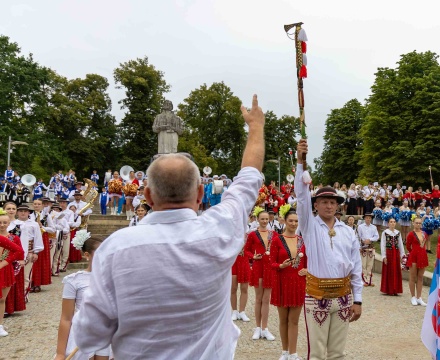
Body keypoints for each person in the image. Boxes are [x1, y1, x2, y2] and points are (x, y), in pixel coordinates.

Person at [73, 94, 264, 359]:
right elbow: (248, 179)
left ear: (148, 197)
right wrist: (256, 128)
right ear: (200, 194)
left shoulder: (116, 247)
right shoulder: (219, 229)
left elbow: (89, 336)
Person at [294, 138, 363, 360]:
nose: (329, 205)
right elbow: (301, 197)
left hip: (343, 298)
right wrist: (300, 163)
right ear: (316, 204)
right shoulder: (309, 225)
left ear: (338, 205)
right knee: (316, 354)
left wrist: (358, 299)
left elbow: (356, 267)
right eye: (324, 201)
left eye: (333, 202)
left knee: (337, 353)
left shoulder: (347, 231)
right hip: (317, 296)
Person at [55, 231, 110, 360]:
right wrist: (60, 353)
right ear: (87, 255)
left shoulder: (113, 278)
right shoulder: (74, 280)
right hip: (83, 332)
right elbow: (66, 318)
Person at [270, 207, 307, 360]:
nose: (293, 223)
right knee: (283, 319)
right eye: (291, 220)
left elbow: (309, 261)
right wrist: (280, 266)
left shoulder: (302, 240)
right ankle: (284, 351)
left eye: (296, 221)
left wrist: (307, 269)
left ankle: (293, 353)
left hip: (298, 282)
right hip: (282, 281)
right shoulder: (276, 240)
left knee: (294, 320)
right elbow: (271, 262)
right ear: (284, 221)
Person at [245, 209, 276, 341]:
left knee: (266, 299)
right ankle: (257, 327)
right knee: (258, 298)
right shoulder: (253, 234)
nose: (264, 221)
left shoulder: (273, 234)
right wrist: (253, 257)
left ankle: (265, 328)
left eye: (266, 219)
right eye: (262, 219)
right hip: (258, 267)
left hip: (269, 269)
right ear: (257, 219)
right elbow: (246, 250)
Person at [0, 209, 26, 337]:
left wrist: (5, 262)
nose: (2, 225)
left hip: (5, 270)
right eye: (0, 222)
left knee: (2, 299)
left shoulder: (13, 238)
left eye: (5, 222)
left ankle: (0, 325)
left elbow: (19, 252)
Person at [14, 204, 44, 299]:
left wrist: (36, 252)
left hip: (29, 251)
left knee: (26, 275)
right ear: (17, 212)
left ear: (28, 213)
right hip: (15, 251)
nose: (23, 213)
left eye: (25, 211)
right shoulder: (13, 223)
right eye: (21, 211)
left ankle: (24, 296)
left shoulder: (34, 224)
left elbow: (38, 238)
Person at [406, 216, 428, 306]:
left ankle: (419, 297)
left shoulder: (424, 233)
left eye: (420, 223)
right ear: (413, 223)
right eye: (417, 223)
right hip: (414, 255)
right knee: (413, 277)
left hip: (422, 255)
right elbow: (408, 246)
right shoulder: (411, 234)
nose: (418, 224)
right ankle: (413, 296)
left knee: (420, 277)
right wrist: (413, 252)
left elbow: (424, 244)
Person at [380, 217, 405, 296]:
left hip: (396, 253)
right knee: (389, 270)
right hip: (389, 252)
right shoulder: (385, 232)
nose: (392, 223)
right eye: (391, 222)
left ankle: (396, 289)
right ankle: (389, 289)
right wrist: (384, 256)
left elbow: (400, 244)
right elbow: (383, 244)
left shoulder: (398, 233)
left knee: (396, 270)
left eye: (394, 222)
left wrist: (402, 255)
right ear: (388, 223)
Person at [357, 213, 379, 287]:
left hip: (370, 246)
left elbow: (376, 236)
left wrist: (370, 239)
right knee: (363, 264)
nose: (368, 219)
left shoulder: (374, 227)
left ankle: (370, 279)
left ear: (371, 219)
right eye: (367, 218)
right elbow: (358, 236)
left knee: (370, 264)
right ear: (364, 218)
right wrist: (361, 243)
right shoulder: (360, 227)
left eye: (369, 218)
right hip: (363, 247)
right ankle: (364, 280)